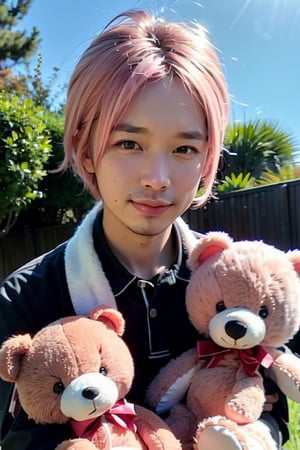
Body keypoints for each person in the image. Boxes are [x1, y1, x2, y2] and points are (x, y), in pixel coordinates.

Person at [0, 9, 288, 450]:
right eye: (129, 143)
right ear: (86, 148)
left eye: (183, 148)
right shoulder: (27, 299)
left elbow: (270, 412)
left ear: (206, 158)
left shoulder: (238, 283)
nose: (157, 177)